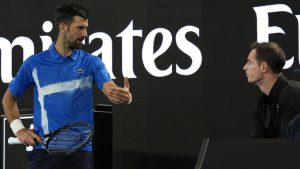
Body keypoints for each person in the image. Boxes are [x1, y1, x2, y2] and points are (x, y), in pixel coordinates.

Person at [2, 3, 132, 169]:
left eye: (86, 28)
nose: (85, 34)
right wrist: (19, 130)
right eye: (80, 28)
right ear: (63, 27)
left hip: (80, 152)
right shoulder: (34, 64)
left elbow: (109, 88)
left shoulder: (92, 63)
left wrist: (123, 96)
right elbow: (8, 99)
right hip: (43, 152)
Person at [243, 41, 300, 138]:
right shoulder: (261, 103)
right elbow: (255, 146)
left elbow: (290, 146)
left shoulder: (293, 94)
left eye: (249, 62)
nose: (244, 67)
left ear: (263, 67)